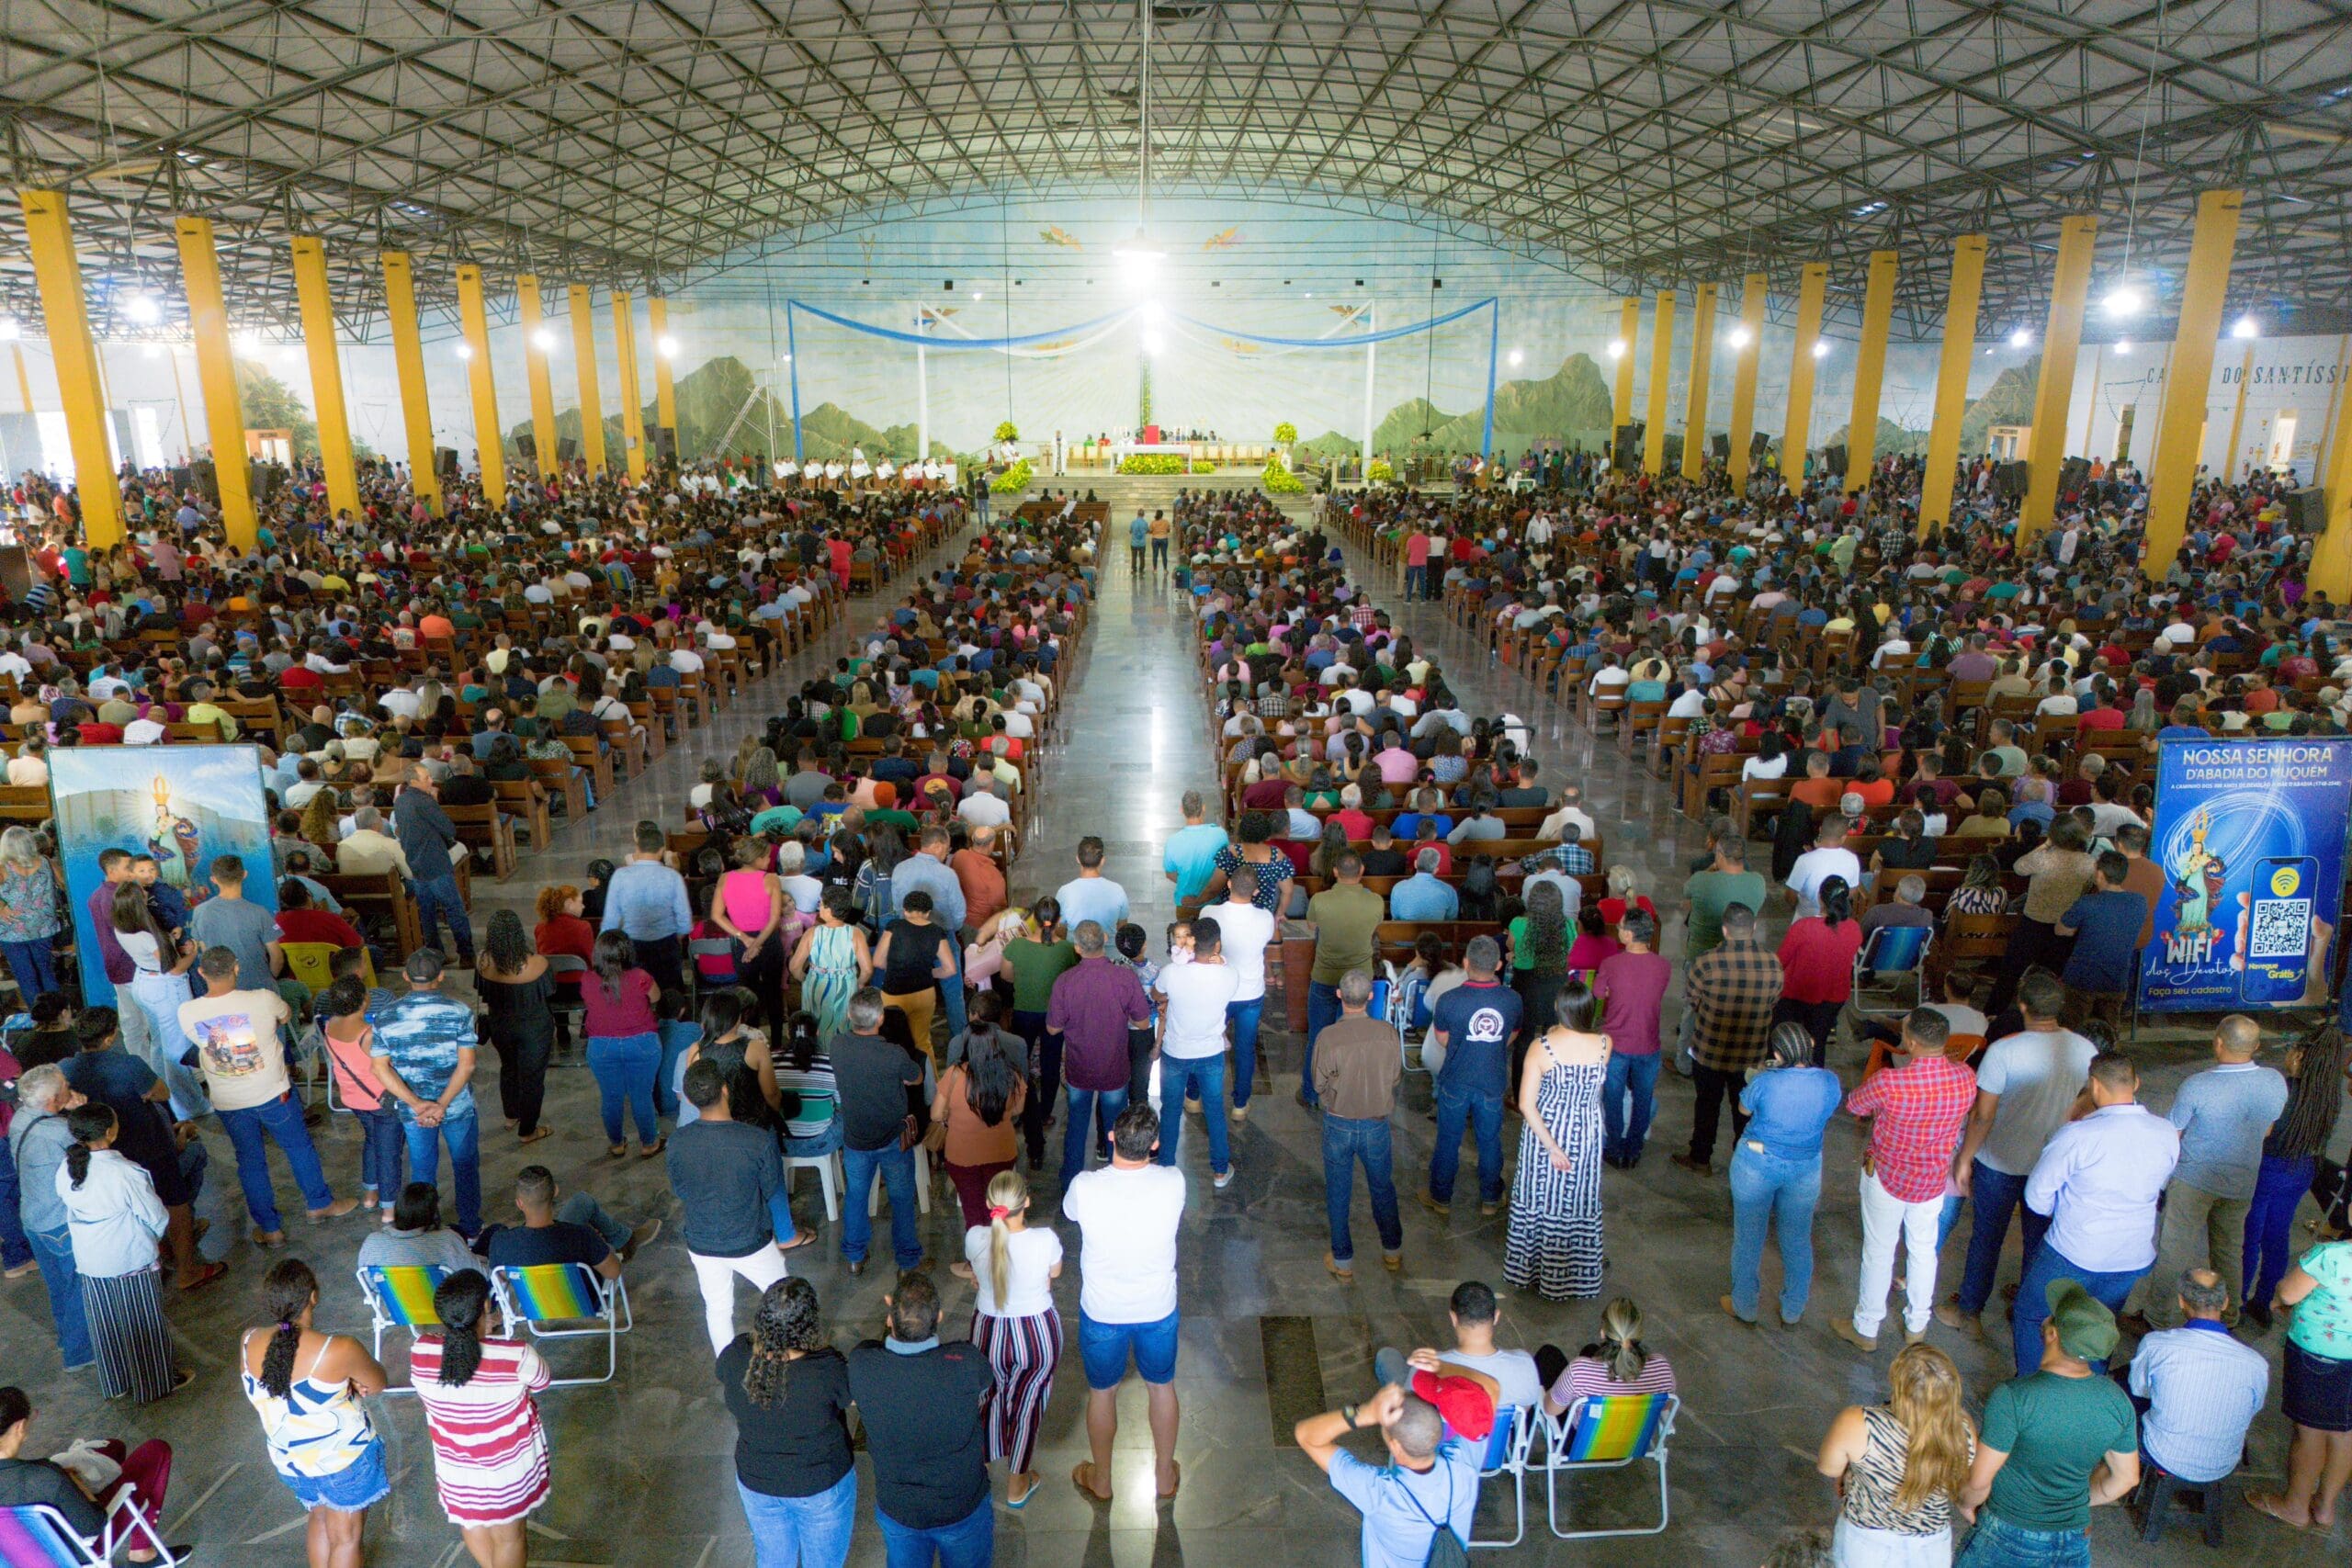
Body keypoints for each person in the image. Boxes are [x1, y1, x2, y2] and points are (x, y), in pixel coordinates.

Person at [1939, 973, 2096, 1338]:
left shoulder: (2004, 1051)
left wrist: (1965, 1157)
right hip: (2053, 1163)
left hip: (1999, 1161)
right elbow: (2088, 1103)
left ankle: (1970, 1312)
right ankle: (2027, 1311)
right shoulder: (2085, 1049)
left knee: (1986, 1237)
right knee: (2039, 1240)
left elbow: (1983, 1114)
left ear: (2022, 1006)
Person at [180, 944, 359, 1240]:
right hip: (274, 1094)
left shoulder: (187, 1011)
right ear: (236, 968)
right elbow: (287, 1016)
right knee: (299, 1148)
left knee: (250, 1161)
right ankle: (319, 1204)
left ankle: (270, 1228)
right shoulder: (263, 999)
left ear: (201, 972)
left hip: (229, 1101)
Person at [1953, 1282, 2139, 1568]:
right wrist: (2072, 1506)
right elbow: (2126, 1478)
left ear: (2052, 1334)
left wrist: (1965, 1502)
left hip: (2007, 1533)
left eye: (2051, 1317)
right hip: (2074, 1540)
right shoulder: (2117, 1402)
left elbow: (1979, 1482)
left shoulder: (2013, 1397)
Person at [2128, 1013, 2286, 1329]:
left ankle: (2157, 1318)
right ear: (2255, 1047)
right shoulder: (2274, 1081)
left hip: (2193, 1181)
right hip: (2242, 1181)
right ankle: (2229, 1316)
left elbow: (2172, 1134)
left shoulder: (2198, 1085)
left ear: (2218, 1043)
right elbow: (2267, 1130)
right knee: (2229, 1249)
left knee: (2175, 1251)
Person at [1064, 1105, 1185, 1505]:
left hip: (1103, 1311)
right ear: (1154, 1144)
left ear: (1112, 1137)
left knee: (1102, 1393)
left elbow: (1070, 1214)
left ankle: (1102, 1480)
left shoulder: (1085, 1185)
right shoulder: (1173, 1182)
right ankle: (1164, 1476)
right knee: (1161, 1387)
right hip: (1157, 1309)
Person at [1838, 1010, 1975, 1354]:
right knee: (1923, 1250)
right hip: (1932, 1179)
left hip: (1887, 1175)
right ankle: (1917, 1326)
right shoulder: (1965, 1078)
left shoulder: (1890, 1082)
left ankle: (1867, 1327)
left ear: (1911, 1042)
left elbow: (1855, 1104)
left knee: (1879, 1251)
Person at [242, 1258, 392, 1568]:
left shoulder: (248, 1341)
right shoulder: (339, 1348)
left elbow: (277, 1388)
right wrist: (347, 1378)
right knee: (346, 1538)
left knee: (320, 1517)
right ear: (313, 1296)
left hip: (291, 1461)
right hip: (345, 1459)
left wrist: (342, 1378)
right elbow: (377, 1383)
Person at [845, 1270, 996, 1568]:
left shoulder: (863, 1364)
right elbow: (985, 1382)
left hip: (899, 1510)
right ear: (938, 1317)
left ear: (890, 1311)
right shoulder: (964, 1361)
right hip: (963, 1506)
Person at [411, 1269, 555, 1567]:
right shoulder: (516, 1356)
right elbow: (542, 1381)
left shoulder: (421, 1350)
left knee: (471, 1522)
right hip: (507, 1468)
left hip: (455, 1467)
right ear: (487, 1308)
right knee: (510, 1537)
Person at [670, 1060, 807, 1351]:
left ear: (691, 1099)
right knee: (783, 1297)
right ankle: (792, 1355)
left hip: (702, 1241)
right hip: (751, 1241)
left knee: (717, 1309)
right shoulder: (756, 1140)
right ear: (725, 1090)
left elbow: (680, 1188)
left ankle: (726, 1367)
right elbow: (771, 1189)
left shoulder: (677, 1141)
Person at [56, 1102, 186, 1403]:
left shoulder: (67, 1166)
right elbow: (156, 1216)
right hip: (129, 1258)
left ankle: (116, 1384)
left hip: (90, 1260)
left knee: (105, 1324)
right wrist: (150, 1239)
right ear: (110, 1132)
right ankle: (153, 1385)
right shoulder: (125, 1171)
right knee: (143, 1322)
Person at [722, 1277, 856, 1568]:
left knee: (772, 1560)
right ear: (809, 1325)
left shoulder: (736, 1356)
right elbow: (853, 1397)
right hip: (819, 1484)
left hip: (757, 1480)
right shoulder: (826, 1369)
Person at [1724, 1023, 1843, 1327]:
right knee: (1798, 1238)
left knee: (1749, 1237)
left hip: (1757, 1163)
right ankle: (1793, 1308)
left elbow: (1743, 1109)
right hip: (1805, 1166)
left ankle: (1745, 1305)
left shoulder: (1766, 1082)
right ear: (1811, 1044)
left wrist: (1757, 1078)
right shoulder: (1830, 1082)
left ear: (1777, 1053)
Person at [1815, 1343, 1976, 1568]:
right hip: (1932, 1545)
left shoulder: (1859, 1422)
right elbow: (1965, 1485)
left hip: (1867, 1540)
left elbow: (1829, 1467)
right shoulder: (1963, 1428)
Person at [1295, 1376, 1482, 1567]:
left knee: (1387, 1359)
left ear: (1396, 1447)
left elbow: (1306, 1435)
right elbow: (1487, 1394)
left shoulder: (1379, 1493)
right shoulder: (1465, 1462)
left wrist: (1365, 1413)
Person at [965, 1168, 1064, 1508]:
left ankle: (978, 1471)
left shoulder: (975, 1237)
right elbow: (1054, 1274)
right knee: (1028, 1405)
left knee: (988, 1397)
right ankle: (1017, 1484)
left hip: (988, 1330)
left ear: (990, 1204)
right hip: (1037, 1332)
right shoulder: (1046, 1239)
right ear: (1027, 1202)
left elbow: (980, 1274)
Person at [1506, 979, 1610, 1302]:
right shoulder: (1606, 1044)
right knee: (1577, 1201)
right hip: (1587, 1131)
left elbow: (1526, 1104)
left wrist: (1552, 1147)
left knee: (1542, 1198)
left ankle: (1534, 1271)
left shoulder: (1542, 1047)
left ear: (1558, 1008)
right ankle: (1575, 1273)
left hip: (1547, 1131)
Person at [371, 948, 484, 1236]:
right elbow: (467, 1064)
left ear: (406, 976)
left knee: (422, 1170)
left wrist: (417, 1104)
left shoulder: (386, 1016)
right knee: (465, 1165)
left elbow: (380, 1069)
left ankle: (424, 1228)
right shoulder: (460, 1011)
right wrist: (442, 1104)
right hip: (456, 1106)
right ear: (442, 976)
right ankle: (470, 1229)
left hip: (413, 1112)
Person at [2245, 1022, 2351, 1328]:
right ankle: (2264, 1300)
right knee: (2277, 1236)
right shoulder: (2329, 1096)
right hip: (2302, 1170)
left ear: (2303, 1056)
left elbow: (2263, 1132)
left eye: (2292, 1049)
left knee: (2251, 1237)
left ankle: (2238, 1299)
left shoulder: (2284, 1090)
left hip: (2269, 1168)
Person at [0, 1383, 179, 1563]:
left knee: (113, 1447)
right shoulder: (47, 1477)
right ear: (20, 1426)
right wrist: (76, 1483)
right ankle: (142, 1553)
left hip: (17, 1556)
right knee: (157, 1450)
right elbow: (94, 1526)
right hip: (79, 1551)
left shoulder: (43, 1475)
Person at [2128, 1269, 2267, 1490]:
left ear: (2181, 1302)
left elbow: (2140, 1391)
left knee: (2123, 1391)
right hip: (2224, 1464)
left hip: (2162, 1454)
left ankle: (2115, 1474)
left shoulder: (2156, 1344)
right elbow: (2254, 1408)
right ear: (2225, 1303)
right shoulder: (2256, 1363)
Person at [2249, 1235, 2352, 1529]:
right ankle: (2325, 1507)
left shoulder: (2330, 1255)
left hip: (2317, 1357)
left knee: (2309, 1432)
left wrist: (2279, 1300)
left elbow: (2290, 1293)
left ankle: (2295, 1506)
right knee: (2344, 1432)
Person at [1419, 935, 1522, 1215]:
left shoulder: (1450, 999)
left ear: (1465, 963)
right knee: (1489, 1139)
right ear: (1499, 964)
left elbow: (1442, 1039)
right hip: (1492, 1079)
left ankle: (1440, 1196)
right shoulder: (1512, 1000)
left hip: (1455, 1078)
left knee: (1448, 1138)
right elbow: (1511, 1034)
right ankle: (1491, 1197)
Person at [1314, 968, 1405, 1280]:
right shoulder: (1388, 1033)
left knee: (1338, 1192)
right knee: (1383, 1188)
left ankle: (1343, 1262)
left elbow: (1318, 1083)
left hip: (1338, 1124)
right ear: (1370, 997)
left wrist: (1335, 1099)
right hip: (1376, 1125)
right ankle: (1392, 1251)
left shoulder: (1328, 1036)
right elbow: (1395, 1076)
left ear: (1339, 996)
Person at [1043, 919, 1148, 1187]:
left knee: (1076, 1126)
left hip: (1079, 1069)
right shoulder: (1124, 978)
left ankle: (1070, 1182)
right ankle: (1116, 1182)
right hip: (1114, 1067)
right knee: (1115, 1129)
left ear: (1077, 948)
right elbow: (1143, 1022)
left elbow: (1053, 1028)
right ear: (1104, 938)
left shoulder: (1065, 981)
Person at [1679, 902, 1783, 1173]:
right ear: (1754, 928)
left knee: (1706, 1107)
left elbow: (1693, 1001)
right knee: (1746, 1114)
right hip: (1751, 1055)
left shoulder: (1705, 962)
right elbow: (1774, 1001)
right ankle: (1744, 1164)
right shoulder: (1773, 962)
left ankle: (1700, 1158)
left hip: (1709, 1051)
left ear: (1725, 930)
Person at [831, 989, 926, 1276]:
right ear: (880, 1018)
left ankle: (855, 1256)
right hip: (892, 1139)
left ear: (849, 1016)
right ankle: (907, 1262)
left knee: (856, 1196)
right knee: (901, 1198)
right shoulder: (894, 1054)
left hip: (856, 1138)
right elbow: (916, 1077)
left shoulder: (837, 1046)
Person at [7, 1066, 95, 1373]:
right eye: (65, 1086)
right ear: (53, 1099)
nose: (70, 1087)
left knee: (59, 1286)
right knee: (79, 1287)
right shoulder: (58, 1131)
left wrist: (62, 1108)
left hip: (33, 1217)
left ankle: (67, 1338)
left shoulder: (21, 1118)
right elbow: (94, 1148)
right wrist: (82, 1113)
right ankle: (80, 1352)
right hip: (59, 1222)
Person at [1152, 914, 1238, 1188]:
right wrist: (1222, 962)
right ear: (1217, 945)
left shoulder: (1172, 973)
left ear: (1191, 943)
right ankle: (1220, 1171)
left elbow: (1157, 994)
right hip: (1210, 1052)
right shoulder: (1229, 974)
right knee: (1215, 1111)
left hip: (1176, 1052)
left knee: (1170, 1110)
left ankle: (1166, 1167)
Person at [1302, 853, 1387, 1105]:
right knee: (1359, 1037)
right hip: (1360, 978)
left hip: (1325, 976)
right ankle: (1357, 1093)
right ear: (1361, 870)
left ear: (1336, 872)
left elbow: (1311, 926)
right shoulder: (1374, 901)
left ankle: (1311, 1093)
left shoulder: (1320, 900)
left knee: (1317, 1038)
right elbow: (1373, 929)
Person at [931, 1015, 1026, 1230]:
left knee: (973, 1211)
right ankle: (999, 1254)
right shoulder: (1012, 1075)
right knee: (999, 1209)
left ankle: (975, 1261)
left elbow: (936, 1114)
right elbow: (1018, 1110)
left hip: (962, 1156)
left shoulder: (955, 1075)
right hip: (1002, 1152)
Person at [1594, 908, 1670, 1168]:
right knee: (1643, 1097)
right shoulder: (1663, 965)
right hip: (1648, 1043)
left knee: (1612, 1097)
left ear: (1628, 934)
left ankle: (1614, 1148)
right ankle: (1634, 1149)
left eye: (1620, 927)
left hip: (1615, 1043)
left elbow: (1598, 992)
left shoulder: (1611, 964)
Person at [582, 930, 666, 1159]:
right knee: (642, 1095)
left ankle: (617, 1144)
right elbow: (656, 998)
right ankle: (649, 1143)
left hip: (601, 1046)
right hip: (642, 1043)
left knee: (611, 1097)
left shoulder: (587, 980)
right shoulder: (640, 976)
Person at [474, 910, 557, 1145]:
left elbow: (483, 991)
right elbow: (550, 992)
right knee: (532, 1079)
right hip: (534, 1029)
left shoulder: (483, 962)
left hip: (500, 1026)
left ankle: (511, 1116)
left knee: (508, 1068)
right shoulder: (538, 964)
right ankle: (528, 1130)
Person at [1540, 1296, 1677, 1429]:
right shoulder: (1662, 1367)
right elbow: (1664, 1406)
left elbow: (1551, 1410)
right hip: (1631, 1442)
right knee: (1591, 1350)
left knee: (1548, 1354)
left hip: (1584, 1445)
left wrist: (1558, 1391)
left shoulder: (1579, 1371)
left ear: (1603, 1333)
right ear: (1639, 1334)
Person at [394, 764, 477, 966]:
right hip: (435, 862)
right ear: (413, 781)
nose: (431, 781)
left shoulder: (401, 801)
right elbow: (449, 828)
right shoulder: (425, 802)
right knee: (454, 908)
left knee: (427, 911)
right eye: (426, 778)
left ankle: (435, 954)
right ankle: (466, 954)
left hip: (415, 862)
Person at [600, 820, 694, 993]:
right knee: (671, 993)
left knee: (639, 993)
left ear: (637, 850)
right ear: (661, 851)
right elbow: (684, 920)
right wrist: (677, 937)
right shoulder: (672, 876)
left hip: (633, 946)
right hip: (667, 944)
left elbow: (611, 920)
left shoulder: (620, 876)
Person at [1775, 877, 1861, 1065]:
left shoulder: (1803, 927)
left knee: (1785, 1040)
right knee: (1818, 1043)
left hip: (1797, 996)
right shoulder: (1854, 928)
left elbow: (1779, 962)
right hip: (1833, 997)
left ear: (1820, 898)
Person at [874, 889, 956, 1061]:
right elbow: (950, 969)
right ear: (928, 913)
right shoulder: (937, 931)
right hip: (924, 993)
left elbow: (878, 962)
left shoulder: (894, 927)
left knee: (892, 1041)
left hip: (894, 994)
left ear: (905, 910)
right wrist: (927, 971)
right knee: (923, 1042)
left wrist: (899, 967)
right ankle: (931, 1085)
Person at [788, 886, 872, 1040]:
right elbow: (867, 970)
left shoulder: (812, 933)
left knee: (817, 1028)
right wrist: (857, 983)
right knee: (843, 1028)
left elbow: (794, 967)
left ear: (829, 909)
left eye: (821, 903)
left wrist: (805, 980)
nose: (819, 906)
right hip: (846, 987)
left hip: (816, 986)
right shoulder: (856, 933)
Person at [358, 1181, 481, 1275]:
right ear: (432, 1213)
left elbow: (369, 1283)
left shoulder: (372, 1242)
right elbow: (481, 1275)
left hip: (400, 1304)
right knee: (493, 1233)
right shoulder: (446, 1241)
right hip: (446, 1302)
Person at [0, 826, 64, 1002]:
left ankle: (40, 1020)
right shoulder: (46, 861)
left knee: (26, 976)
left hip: (12, 930)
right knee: (46, 971)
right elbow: (65, 885)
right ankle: (58, 1013)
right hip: (43, 927)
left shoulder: (3, 867)